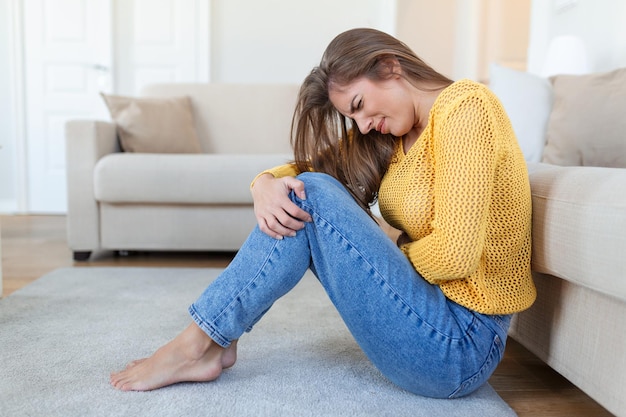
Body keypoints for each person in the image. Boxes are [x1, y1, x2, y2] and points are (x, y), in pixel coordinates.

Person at [110, 28, 536, 398]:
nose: (364, 125)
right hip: (428, 322)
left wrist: (384, 256)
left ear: (389, 67)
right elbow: (303, 170)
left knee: (310, 194)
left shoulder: (466, 108)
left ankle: (197, 346)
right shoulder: (396, 137)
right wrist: (262, 184)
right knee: (301, 190)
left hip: (461, 346)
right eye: (353, 117)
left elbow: (458, 253)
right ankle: (208, 342)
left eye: (359, 104)